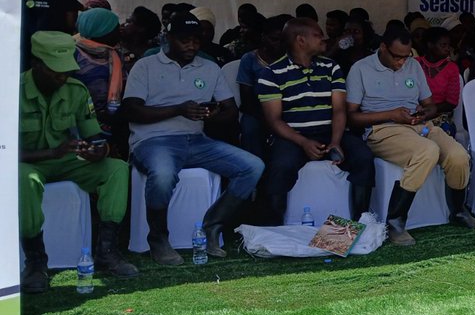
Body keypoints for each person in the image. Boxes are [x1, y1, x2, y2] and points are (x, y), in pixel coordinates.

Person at [123, 14, 264, 264]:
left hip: (196, 140)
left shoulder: (209, 68)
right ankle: (158, 238)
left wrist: (212, 115)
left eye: (196, 40)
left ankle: (213, 225)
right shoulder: (145, 66)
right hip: (153, 141)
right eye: (184, 40)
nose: (192, 46)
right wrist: (178, 110)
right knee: (163, 174)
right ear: (168, 38)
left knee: (253, 166)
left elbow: (231, 111)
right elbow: (131, 111)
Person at [346, 25, 475, 245]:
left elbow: (430, 104)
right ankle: (395, 221)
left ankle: (458, 211)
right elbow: (352, 117)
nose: (402, 62)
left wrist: (425, 113)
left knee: (459, 156)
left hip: (419, 125)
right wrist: (391, 114)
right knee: (427, 151)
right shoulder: (361, 69)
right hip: (382, 129)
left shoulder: (413, 65)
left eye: (407, 56)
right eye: (397, 56)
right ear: (383, 47)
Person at [19, 32, 137, 292]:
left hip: (65, 160)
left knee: (116, 169)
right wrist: (52, 153)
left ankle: (107, 251)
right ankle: (35, 261)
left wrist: (99, 150)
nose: (62, 77)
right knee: (24, 180)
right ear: (36, 64)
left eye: (66, 71)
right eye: (55, 71)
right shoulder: (11, 91)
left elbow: (94, 135)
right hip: (27, 163)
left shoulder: (76, 90)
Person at [258, 18, 374, 224]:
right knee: (280, 166)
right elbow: (274, 121)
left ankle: (360, 221)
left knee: (363, 157)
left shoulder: (331, 67)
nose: (324, 39)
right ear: (300, 40)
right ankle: (277, 227)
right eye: (317, 35)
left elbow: (339, 110)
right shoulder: (271, 73)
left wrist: (336, 141)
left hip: (331, 132)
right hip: (293, 137)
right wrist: (303, 142)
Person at [73, 7, 128, 152]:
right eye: (115, 28)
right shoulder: (74, 54)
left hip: (110, 119)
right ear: (100, 30)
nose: (119, 32)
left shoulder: (115, 54)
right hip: (79, 119)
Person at [237, 14, 290, 160]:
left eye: (284, 40)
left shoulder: (292, 59)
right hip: (257, 110)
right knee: (250, 128)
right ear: (263, 37)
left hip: (287, 109)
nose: (279, 44)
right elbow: (247, 99)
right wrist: (269, 118)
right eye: (274, 39)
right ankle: (255, 166)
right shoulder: (249, 59)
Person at [417, 26, 463, 133]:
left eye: (448, 45)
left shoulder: (452, 68)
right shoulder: (415, 64)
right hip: (416, 113)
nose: (447, 49)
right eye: (443, 45)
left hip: (440, 115)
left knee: (437, 132)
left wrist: (431, 109)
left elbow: (452, 103)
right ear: (430, 45)